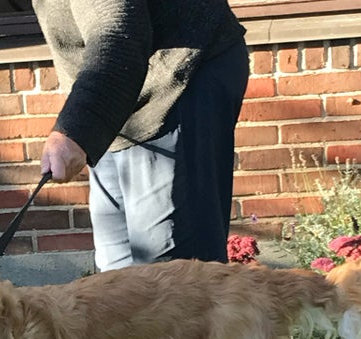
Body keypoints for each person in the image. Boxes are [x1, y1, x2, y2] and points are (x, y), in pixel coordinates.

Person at [32, 0, 250, 269]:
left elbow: (117, 33)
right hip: (115, 103)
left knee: (173, 275)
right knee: (117, 276)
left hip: (176, 82)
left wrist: (75, 131)